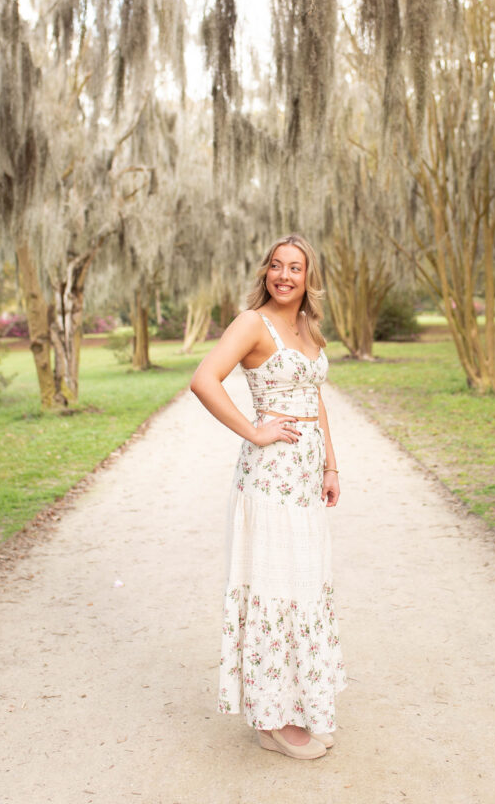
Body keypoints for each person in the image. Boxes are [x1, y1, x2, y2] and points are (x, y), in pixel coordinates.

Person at [190, 233, 346, 760]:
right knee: (275, 586)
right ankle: (271, 719)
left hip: (305, 476)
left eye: (295, 268)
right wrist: (253, 432)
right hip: (271, 475)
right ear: (266, 272)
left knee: (304, 584)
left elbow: (314, 397)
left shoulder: (307, 328)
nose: (284, 275)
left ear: (308, 277)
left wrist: (330, 464)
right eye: (277, 266)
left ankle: (294, 701)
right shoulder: (251, 323)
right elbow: (204, 379)